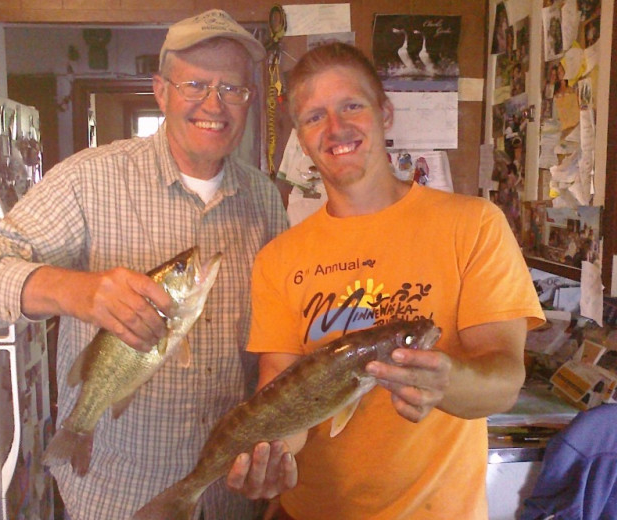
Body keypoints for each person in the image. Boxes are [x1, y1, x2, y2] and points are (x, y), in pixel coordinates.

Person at [0, 9, 288, 520]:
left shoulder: (264, 199)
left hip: (226, 493)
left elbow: (273, 337)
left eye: (233, 89)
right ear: (161, 91)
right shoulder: (87, 180)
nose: (215, 104)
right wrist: (74, 292)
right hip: (121, 494)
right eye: (196, 84)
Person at [226, 42, 545, 519]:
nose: (336, 128)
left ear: (384, 112)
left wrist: (447, 379)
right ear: (301, 138)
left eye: (351, 105)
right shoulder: (278, 258)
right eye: (314, 117)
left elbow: (504, 379)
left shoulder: (474, 224)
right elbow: (280, 387)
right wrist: (270, 454)